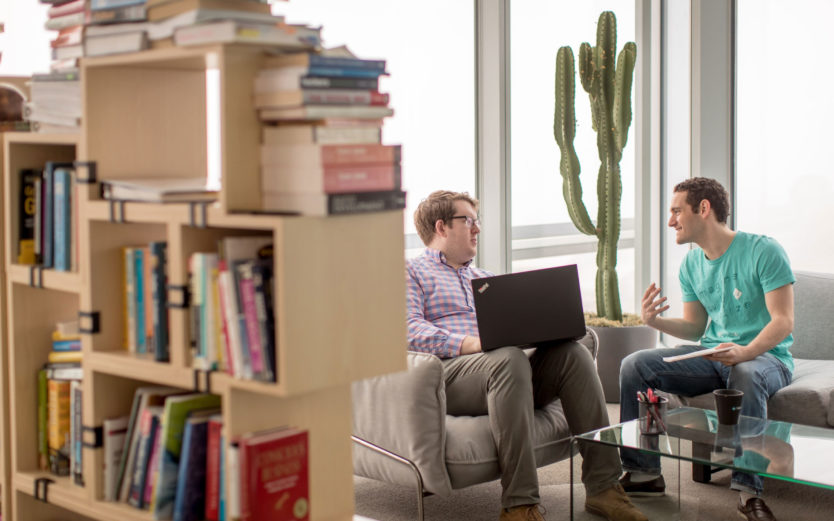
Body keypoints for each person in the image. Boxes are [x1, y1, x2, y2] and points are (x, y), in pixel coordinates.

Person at [407, 190, 647, 521]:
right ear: (441, 227)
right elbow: (409, 330)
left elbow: (514, 334)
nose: (478, 228)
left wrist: (546, 330)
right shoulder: (411, 271)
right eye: (469, 221)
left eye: (478, 221)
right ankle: (519, 504)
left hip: (506, 370)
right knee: (507, 357)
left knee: (572, 353)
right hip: (449, 376)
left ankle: (604, 487)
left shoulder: (485, 279)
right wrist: (472, 343)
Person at [618, 177, 794, 521]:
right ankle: (643, 473)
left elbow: (783, 321)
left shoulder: (763, 251)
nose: (671, 221)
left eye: (676, 211)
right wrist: (656, 322)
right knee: (634, 365)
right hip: (713, 356)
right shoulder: (691, 264)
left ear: (703, 208)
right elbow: (696, 327)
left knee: (745, 372)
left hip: (766, 358)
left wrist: (745, 351)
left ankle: (748, 492)